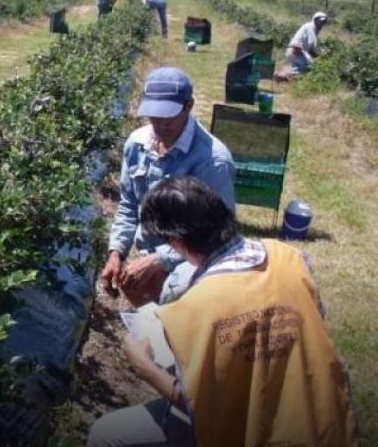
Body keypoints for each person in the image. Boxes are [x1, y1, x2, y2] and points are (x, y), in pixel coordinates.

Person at [88, 176, 359, 447]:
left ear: (177, 243)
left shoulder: (198, 306)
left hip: (260, 434)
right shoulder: (292, 259)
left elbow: (195, 406)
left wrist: (144, 367)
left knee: (107, 435)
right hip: (329, 426)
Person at [99, 67, 235, 308]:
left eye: (168, 115)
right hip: (151, 253)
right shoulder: (137, 145)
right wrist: (116, 252)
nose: (161, 123)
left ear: (189, 105)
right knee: (141, 298)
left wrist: (161, 260)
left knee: (173, 306)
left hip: (194, 259)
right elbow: (129, 205)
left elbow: (219, 234)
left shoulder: (212, 161)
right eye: (154, 114)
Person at [277, 11, 329, 79]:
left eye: (324, 22)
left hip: (296, 52)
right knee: (310, 65)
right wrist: (321, 55)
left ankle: (283, 75)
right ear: (315, 20)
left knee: (300, 68)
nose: (322, 23)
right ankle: (281, 75)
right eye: (321, 21)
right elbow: (311, 48)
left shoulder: (313, 29)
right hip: (296, 51)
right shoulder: (310, 28)